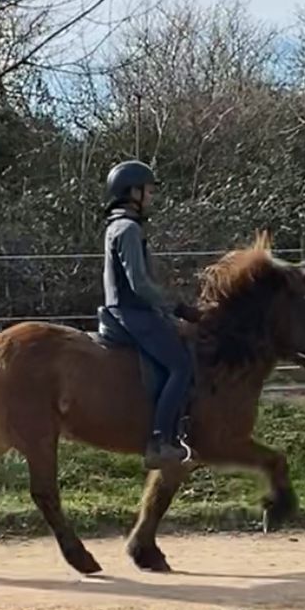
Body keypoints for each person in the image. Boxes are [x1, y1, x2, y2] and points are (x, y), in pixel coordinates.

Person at [101, 160, 199, 469]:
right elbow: (140, 283)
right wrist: (175, 308)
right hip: (131, 312)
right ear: (133, 192)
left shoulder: (122, 225)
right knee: (181, 366)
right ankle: (159, 441)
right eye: (149, 191)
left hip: (130, 309)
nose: (151, 197)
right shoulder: (128, 229)